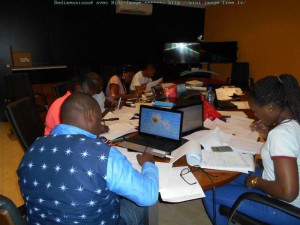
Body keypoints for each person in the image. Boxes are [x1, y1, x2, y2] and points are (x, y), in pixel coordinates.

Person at [17, 92, 159, 225]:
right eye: (100, 120)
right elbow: (149, 195)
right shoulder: (104, 155)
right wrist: (149, 164)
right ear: (91, 115)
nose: (100, 125)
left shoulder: (33, 147)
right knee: (140, 205)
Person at [203, 74, 300, 225]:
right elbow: (290, 148)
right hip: (281, 184)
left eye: (255, 111)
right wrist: (267, 134)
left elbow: (288, 193)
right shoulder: (294, 120)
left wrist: (256, 182)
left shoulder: (281, 135)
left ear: (270, 108)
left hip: (286, 210)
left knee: (210, 192)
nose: (255, 115)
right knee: (229, 173)